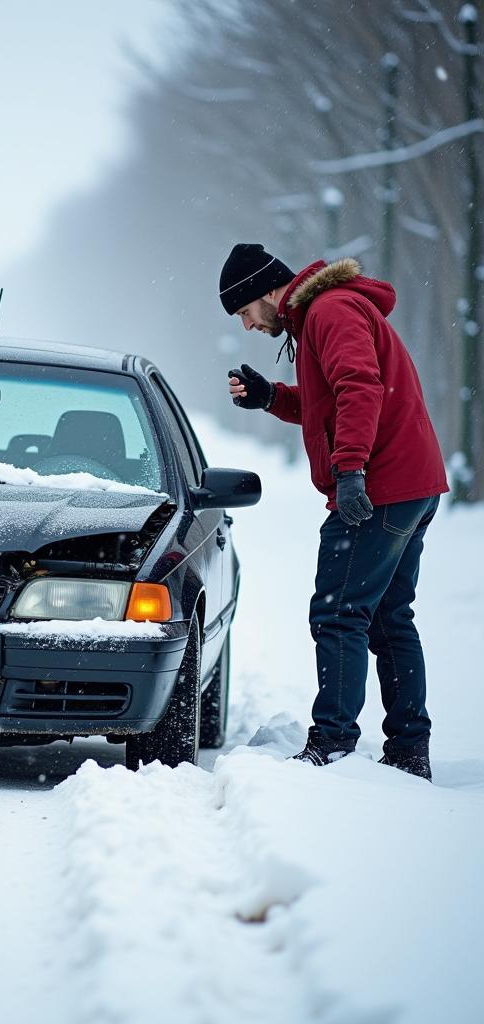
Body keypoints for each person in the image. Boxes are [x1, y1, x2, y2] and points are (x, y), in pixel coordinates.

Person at [218, 242, 448, 780]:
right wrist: (270, 396)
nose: (249, 327)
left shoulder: (328, 311)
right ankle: (410, 751)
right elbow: (328, 403)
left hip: (380, 485)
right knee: (389, 619)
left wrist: (350, 472)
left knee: (339, 611)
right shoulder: (320, 313)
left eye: (246, 314)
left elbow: (359, 387)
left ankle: (332, 744)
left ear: (265, 292)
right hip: (410, 482)